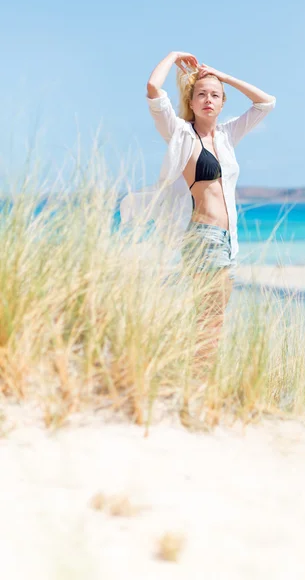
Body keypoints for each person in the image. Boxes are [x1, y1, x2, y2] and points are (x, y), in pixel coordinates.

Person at [120, 51, 276, 379]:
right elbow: (153, 88)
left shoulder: (227, 136)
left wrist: (220, 74)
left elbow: (265, 103)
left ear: (222, 103)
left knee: (213, 319)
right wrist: (175, 55)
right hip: (202, 238)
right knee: (209, 319)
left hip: (227, 240)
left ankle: (195, 381)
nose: (208, 99)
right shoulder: (180, 134)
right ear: (190, 102)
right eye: (201, 94)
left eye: (215, 95)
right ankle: (197, 385)